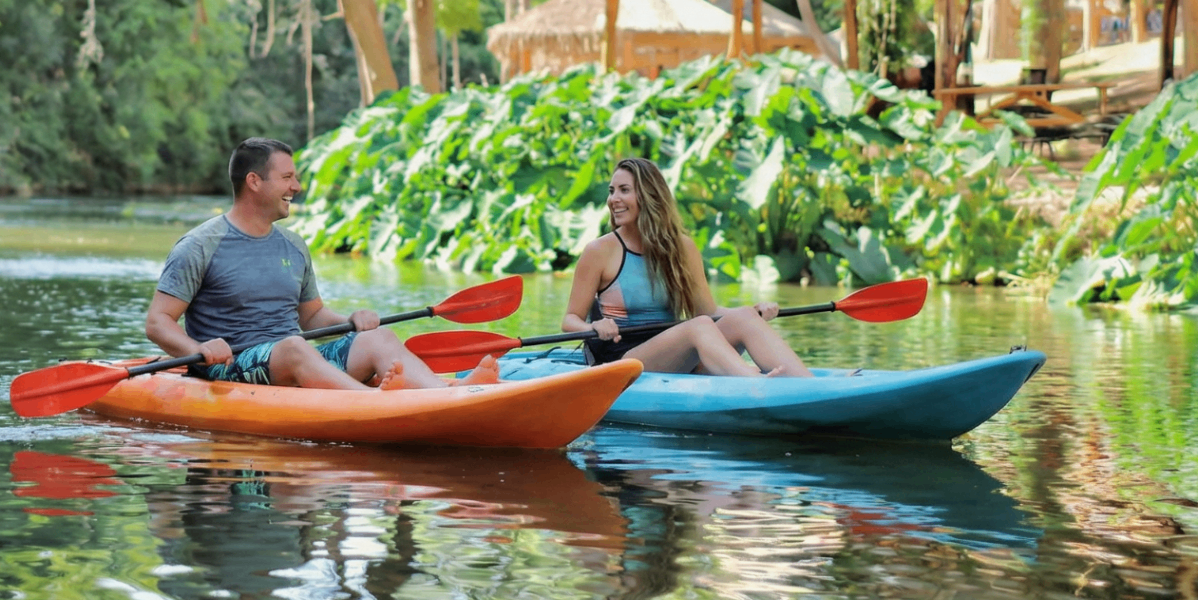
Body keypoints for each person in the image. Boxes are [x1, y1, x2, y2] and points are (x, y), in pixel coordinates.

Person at [146, 137, 498, 390]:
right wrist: (198, 349)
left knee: (379, 337)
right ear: (254, 182)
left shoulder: (293, 245)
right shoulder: (200, 245)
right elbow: (158, 322)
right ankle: (373, 403)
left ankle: (451, 394)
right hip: (229, 367)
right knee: (295, 347)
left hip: (291, 358)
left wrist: (349, 321)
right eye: (287, 178)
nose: (297, 186)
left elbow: (311, 317)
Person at [561, 157, 812, 377]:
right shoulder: (599, 251)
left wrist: (752, 311)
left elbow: (707, 310)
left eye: (624, 190)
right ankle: (755, 383)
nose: (613, 199)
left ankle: (806, 384)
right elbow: (570, 320)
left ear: (650, 196)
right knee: (699, 326)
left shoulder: (683, 247)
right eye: (612, 190)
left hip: (678, 354)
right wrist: (592, 327)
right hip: (623, 362)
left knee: (742, 317)